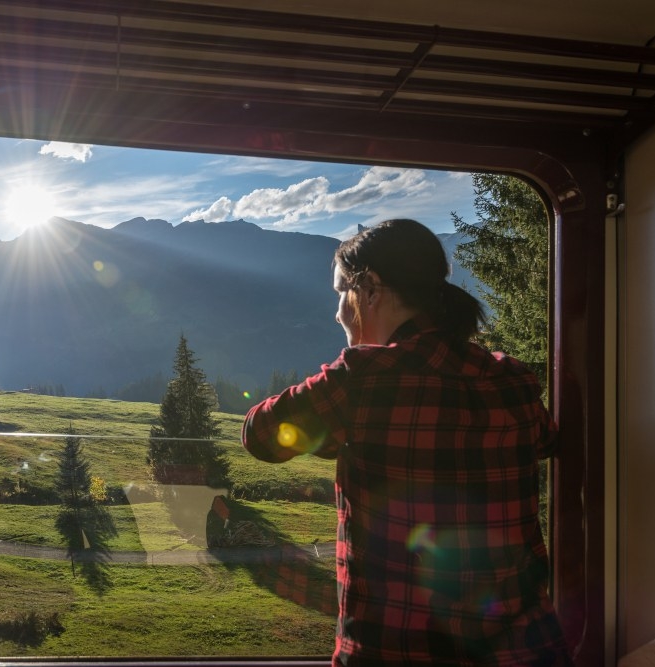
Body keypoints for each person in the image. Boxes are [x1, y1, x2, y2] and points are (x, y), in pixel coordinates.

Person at [243, 219, 570, 666]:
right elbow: (545, 439)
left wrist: (336, 423)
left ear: (371, 288)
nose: (338, 311)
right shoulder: (511, 377)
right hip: (527, 653)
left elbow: (259, 436)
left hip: (396, 650)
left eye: (341, 291)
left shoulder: (362, 380)